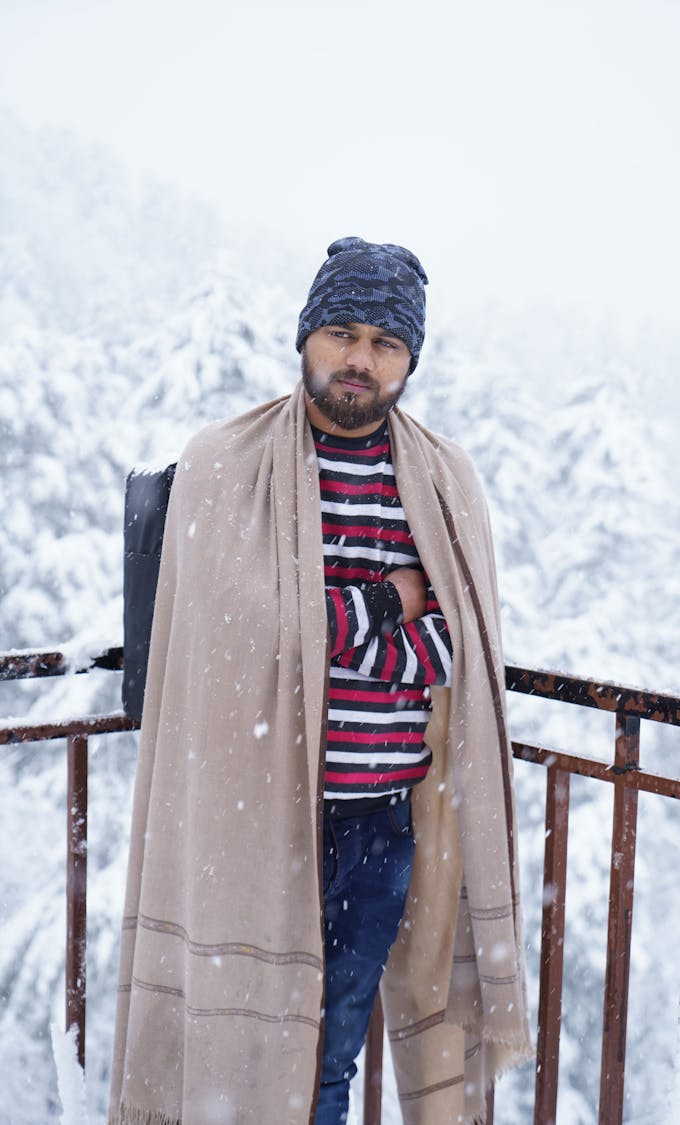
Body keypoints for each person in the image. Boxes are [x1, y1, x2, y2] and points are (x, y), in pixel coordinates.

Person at [109, 238, 532, 1125]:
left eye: (384, 341)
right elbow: (241, 639)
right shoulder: (226, 465)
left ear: (410, 358)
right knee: (230, 1059)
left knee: (324, 1067)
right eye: (341, 332)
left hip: (379, 826)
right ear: (306, 338)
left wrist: (339, 626)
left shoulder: (444, 483)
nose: (359, 359)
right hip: (252, 822)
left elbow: (460, 653)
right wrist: (391, 599)